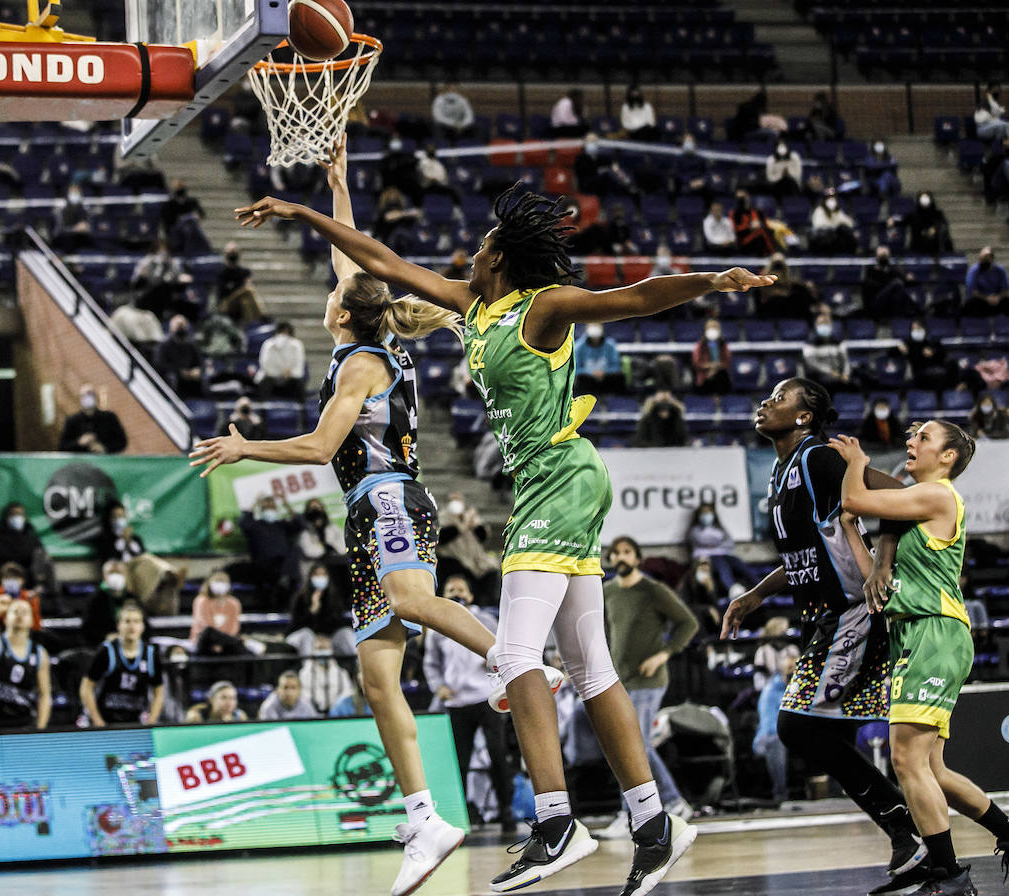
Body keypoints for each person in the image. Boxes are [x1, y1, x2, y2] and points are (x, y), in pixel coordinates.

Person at [231, 157, 773, 895]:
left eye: (484, 245)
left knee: (517, 657)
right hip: (544, 482)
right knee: (589, 668)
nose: (472, 251)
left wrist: (710, 281)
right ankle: (655, 823)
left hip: (563, 473)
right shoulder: (469, 305)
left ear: (502, 261)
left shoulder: (543, 308)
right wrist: (308, 210)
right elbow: (379, 260)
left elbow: (636, 295)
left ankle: (556, 825)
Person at [202, 141, 574, 896]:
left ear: (340, 311)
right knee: (377, 678)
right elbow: (351, 261)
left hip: (391, 498)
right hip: (367, 512)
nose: (332, 294)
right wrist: (337, 188)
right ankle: (423, 818)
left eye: (337, 292)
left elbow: (318, 447)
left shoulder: (363, 362)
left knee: (410, 603)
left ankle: (513, 659)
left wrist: (245, 446)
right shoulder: (373, 331)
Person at [721, 378, 925, 893]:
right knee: (828, 736)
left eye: (782, 397)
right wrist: (753, 597)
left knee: (796, 728)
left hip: (854, 612)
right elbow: (803, 556)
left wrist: (882, 562)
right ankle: (935, 845)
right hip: (823, 616)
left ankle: (906, 830)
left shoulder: (819, 458)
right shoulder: (782, 468)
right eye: (767, 394)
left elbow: (900, 494)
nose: (766, 401)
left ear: (806, 417)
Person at [831, 422, 1009, 895]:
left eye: (923, 438)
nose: (912, 443)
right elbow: (876, 580)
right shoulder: (918, 505)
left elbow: (856, 499)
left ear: (947, 457)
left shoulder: (940, 496)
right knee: (932, 770)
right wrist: (854, 534)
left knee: (906, 759)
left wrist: (856, 465)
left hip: (936, 630)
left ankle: (948, 874)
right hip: (913, 631)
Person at [599, 537, 697, 837]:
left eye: (627, 552)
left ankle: (634, 811)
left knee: (632, 745)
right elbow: (602, 631)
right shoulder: (608, 592)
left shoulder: (653, 590)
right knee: (629, 744)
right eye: (616, 553)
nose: (620, 558)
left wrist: (663, 655)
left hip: (649, 679)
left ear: (638, 558)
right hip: (619, 679)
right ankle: (671, 801)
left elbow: (688, 623)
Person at [423, 574, 517, 833]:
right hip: (456, 701)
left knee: (497, 755)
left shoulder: (485, 619)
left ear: (471, 595)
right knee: (459, 761)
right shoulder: (436, 627)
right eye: (450, 589)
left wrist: (492, 667)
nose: (456, 593)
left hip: (486, 697)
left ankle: (505, 811)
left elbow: (501, 650)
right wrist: (437, 686)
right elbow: (431, 663)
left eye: (461, 589)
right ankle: (460, 815)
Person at [0, 593, 51, 730]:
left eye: (25, 612)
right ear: (5, 619)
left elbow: (44, 694)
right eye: (15, 611)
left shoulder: (39, 653)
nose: (19, 615)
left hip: (23, 723)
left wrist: (40, 728)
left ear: (31, 620)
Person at [79, 600, 164, 727]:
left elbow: (159, 692)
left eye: (136, 621)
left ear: (142, 626)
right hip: (104, 719)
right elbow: (86, 687)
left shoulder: (151, 654)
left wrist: (151, 721)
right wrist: (97, 720)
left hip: (135, 720)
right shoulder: (106, 651)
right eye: (127, 621)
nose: (132, 626)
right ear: (119, 625)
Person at [753, 653, 796, 806]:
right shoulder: (771, 690)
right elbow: (770, 723)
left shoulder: (794, 688)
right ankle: (780, 794)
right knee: (775, 741)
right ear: (783, 670)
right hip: (769, 736)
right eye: (790, 668)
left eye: (795, 668)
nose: (793, 671)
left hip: (790, 734)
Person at [685, 502, 752, 594]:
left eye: (708, 512)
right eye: (703, 513)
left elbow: (729, 543)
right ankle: (732, 589)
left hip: (723, 555)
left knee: (739, 563)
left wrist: (711, 545)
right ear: (698, 515)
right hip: (706, 557)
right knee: (722, 566)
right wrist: (717, 543)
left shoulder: (719, 529)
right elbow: (701, 540)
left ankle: (760, 586)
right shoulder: (694, 530)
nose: (706, 515)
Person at [58, 384, 127, 454]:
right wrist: (79, 442)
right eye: (84, 395)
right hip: (80, 463)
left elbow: (122, 442)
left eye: (91, 395)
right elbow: (62, 447)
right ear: (80, 398)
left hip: (104, 462)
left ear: (96, 397)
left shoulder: (109, 418)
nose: (88, 398)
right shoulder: (72, 421)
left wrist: (104, 448)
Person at [800, 308, 855, 392]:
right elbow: (811, 363)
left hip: (838, 380)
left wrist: (846, 373)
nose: (824, 325)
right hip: (818, 382)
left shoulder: (838, 341)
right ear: (816, 325)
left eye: (826, 323)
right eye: (821, 323)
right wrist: (830, 372)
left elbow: (845, 359)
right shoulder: (810, 343)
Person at [153, 315, 205, 397]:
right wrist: (179, 372)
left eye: (183, 326)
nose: (181, 328)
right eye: (178, 326)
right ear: (171, 328)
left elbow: (199, 362)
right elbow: (159, 363)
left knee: (201, 376)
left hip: (189, 373)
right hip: (173, 373)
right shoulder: (164, 344)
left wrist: (196, 370)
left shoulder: (191, 344)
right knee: (171, 377)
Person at [862, 246, 918, 320]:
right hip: (875, 304)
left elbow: (904, 281)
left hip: (890, 304)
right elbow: (873, 287)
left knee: (899, 290)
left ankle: (907, 315)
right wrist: (887, 279)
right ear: (876, 257)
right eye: (882, 256)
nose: (884, 259)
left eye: (885, 256)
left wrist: (908, 278)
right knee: (896, 284)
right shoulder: (870, 271)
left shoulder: (891, 270)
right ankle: (917, 310)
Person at [256, 320, 307, 400]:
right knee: (264, 385)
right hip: (271, 379)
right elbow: (264, 365)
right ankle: (262, 410)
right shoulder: (268, 344)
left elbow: (299, 367)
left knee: (299, 385)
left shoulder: (297, 345)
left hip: (290, 379)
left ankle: (302, 410)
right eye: (281, 333)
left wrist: (290, 373)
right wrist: (280, 373)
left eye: (285, 333)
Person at [214, 242, 263, 325]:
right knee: (249, 291)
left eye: (234, 251)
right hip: (226, 303)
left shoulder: (244, 272)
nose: (232, 254)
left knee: (246, 301)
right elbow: (220, 294)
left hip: (240, 302)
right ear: (225, 254)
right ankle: (261, 318)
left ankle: (252, 325)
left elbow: (248, 284)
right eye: (230, 252)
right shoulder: (221, 272)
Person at [0, 562, 43, 630]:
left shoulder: (29, 597)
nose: (11, 581)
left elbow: (36, 626)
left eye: (15, 578)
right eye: (7, 577)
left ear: (22, 581)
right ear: (2, 581)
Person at [574, 323, 626, 395]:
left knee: (619, 378)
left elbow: (616, 366)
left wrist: (604, 372)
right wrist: (591, 373)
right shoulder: (578, 346)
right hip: (587, 380)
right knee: (580, 380)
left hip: (606, 378)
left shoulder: (610, 345)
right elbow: (575, 369)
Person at [691, 318, 731, 395]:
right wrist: (710, 367)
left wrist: (715, 369)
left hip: (720, 374)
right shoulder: (700, 345)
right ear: (706, 330)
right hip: (704, 376)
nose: (712, 329)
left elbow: (726, 362)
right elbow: (696, 362)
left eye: (715, 327)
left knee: (721, 375)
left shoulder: (723, 344)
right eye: (710, 327)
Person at [963, 246, 1007, 316]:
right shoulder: (974, 271)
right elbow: (973, 291)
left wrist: (998, 297)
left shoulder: (1000, 270)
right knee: (971, 304)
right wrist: (987, 298)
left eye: (986, 259)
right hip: (981, 300)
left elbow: (1005, 290)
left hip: (996, 299)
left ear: (991, 259)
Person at [730, 191, 774, 256]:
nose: (743, 199)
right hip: (743, 240)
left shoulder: (757, 211)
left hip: (757, 236)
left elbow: (765, 225)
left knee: (768, 231)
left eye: (744, 197)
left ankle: (771, 253)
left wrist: (760, 224)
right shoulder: (735, 213)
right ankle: (773, 253)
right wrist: (750, 227)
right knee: (761, 232)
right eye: (740, 198)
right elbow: (737, 230)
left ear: (748, 197)